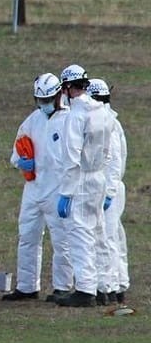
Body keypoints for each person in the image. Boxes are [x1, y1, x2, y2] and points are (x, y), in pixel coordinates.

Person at [4, 73, 71, 301]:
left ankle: (62, 287)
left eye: (48, 99)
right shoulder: (32, 120)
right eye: (40, 101)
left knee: (61, 239)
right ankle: (27, 286)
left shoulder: (71, 121)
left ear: (60, 94)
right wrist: (22, 162)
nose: (44, 105)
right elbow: (17, 151)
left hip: (58, 188)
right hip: (33, 187)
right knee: (27, 236)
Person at [55, 64, 117, 307]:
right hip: (99, 176)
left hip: (81, 180)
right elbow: (109, 152)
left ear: (69, 88)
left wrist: (66, 193)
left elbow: (71, 158)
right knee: (98, 232)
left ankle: (85, 289)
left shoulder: (76, 116)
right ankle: (105, 287)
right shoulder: (102, 112)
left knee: (79, 233)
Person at [89, 78, 128, 303]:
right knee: (114, 236)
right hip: (109, 186)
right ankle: (119, 282)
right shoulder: (109, 120)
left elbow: (113, 162)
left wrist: (109, 193)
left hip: (108, 187)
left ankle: (109, 286)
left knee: (107, 237)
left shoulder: (107, 124)